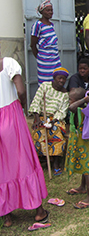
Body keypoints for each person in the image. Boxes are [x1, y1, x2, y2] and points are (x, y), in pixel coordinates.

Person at [0, 56, 48, 227]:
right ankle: (38, 211)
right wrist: (21, 104)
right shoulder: (7, 63)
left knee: (2, 166)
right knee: (23, 160)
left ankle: (7, 216)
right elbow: (20, 91)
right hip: (11, 117)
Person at [29, 67, 69, 175]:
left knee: (56, 133)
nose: (61, 81)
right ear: (54, 78)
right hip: (41, 116)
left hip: (55, 119)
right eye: (59, 78)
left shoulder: (65, 94)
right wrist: (37, 119)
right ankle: (40, 162)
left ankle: (56, 164)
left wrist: (52, 121)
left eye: (63, 79)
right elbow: (36, 102)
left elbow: (62, 111)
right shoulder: (45, 86)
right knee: (39, 133)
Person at [65, 88, 89, 209]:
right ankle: (82, 187)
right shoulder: (79, 108)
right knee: (83, 167)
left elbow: (71, 108)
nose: (69, 102)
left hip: (83, 143)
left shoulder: (82, 110)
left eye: (70, 99)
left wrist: (84, 100)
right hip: (78, 141)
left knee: (86, 168)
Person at [30, 0, 61, 85]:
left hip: (55, 60)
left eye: (51, 10)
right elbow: (33, 45)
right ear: (42, 12)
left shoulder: (51, 25)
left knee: (57, 81)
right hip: (44, 62)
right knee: (45, 84)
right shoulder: (38, 25)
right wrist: (40, 58)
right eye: (48, 10)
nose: (50, 12)